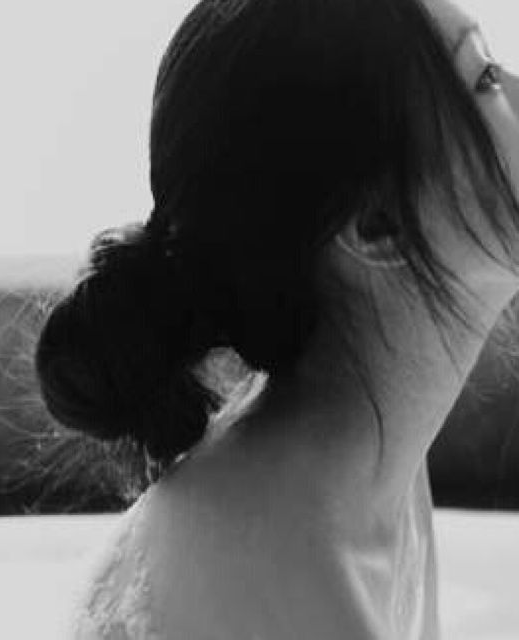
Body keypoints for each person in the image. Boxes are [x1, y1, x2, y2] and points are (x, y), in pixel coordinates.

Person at [34, 0, 519, 637]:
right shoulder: (285, 566)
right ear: (378, 225)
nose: (515, 88)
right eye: (486, 78)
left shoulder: (360, 468)